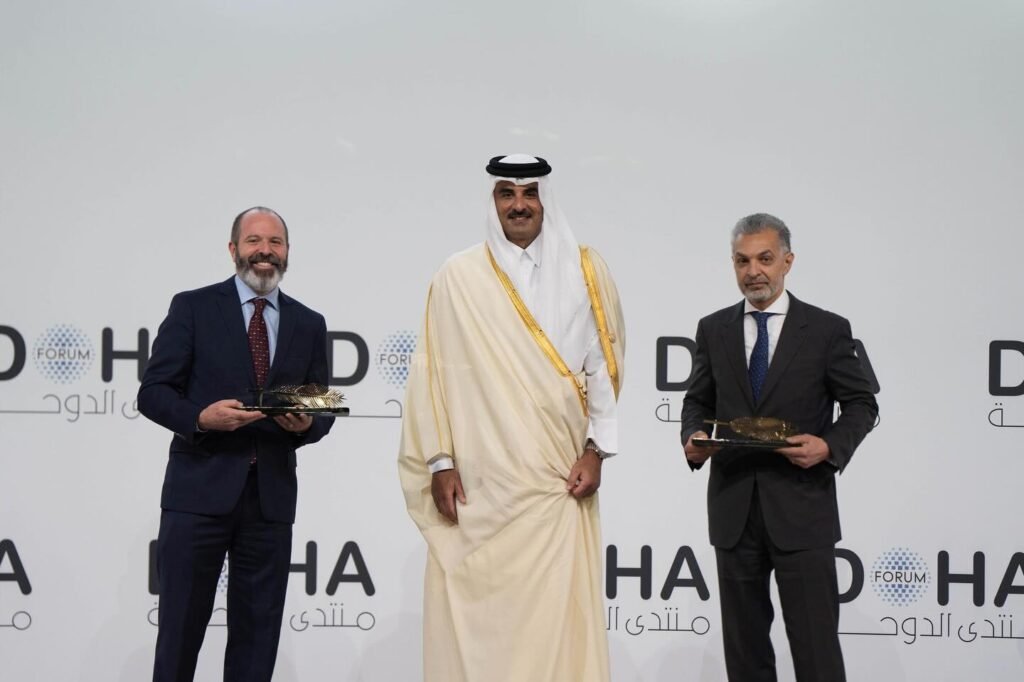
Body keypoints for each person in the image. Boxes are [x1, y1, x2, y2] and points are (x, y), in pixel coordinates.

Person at [398, 154, 625, 682]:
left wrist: (597, 451)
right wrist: (439, 462)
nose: (519, 205)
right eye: (507, 193)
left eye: (529, 193)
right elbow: (432, 377)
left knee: (555, 624)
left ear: (546, 199)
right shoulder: (457, 277)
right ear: (493, 201)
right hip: (480, 487)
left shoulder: (586, 271)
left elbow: (602, 370)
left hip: (556, 481)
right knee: (482, 627)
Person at [138, 206, 334, 682]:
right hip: (197, 497)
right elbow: (153, 392)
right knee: (179, 635)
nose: (265, 251)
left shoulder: (309, 322)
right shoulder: (193, 307)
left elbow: (322, 408)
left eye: (275, 242)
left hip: (269, 504)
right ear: (233, 250)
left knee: (257, 643)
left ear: (287, 252)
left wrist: (304, 425)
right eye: (253, 241)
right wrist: (200, 418)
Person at [680, 213, 878, 682]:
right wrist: (693, 437)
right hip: (733, 511)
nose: (753, 271)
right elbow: (697, 401)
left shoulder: (827, 329)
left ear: (787, 262)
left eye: (765, 259)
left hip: (802, 509)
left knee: (816, 651)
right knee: (744, 654)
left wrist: (828, 446)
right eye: (742, 261)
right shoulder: (713, 329)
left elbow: (862, 404)